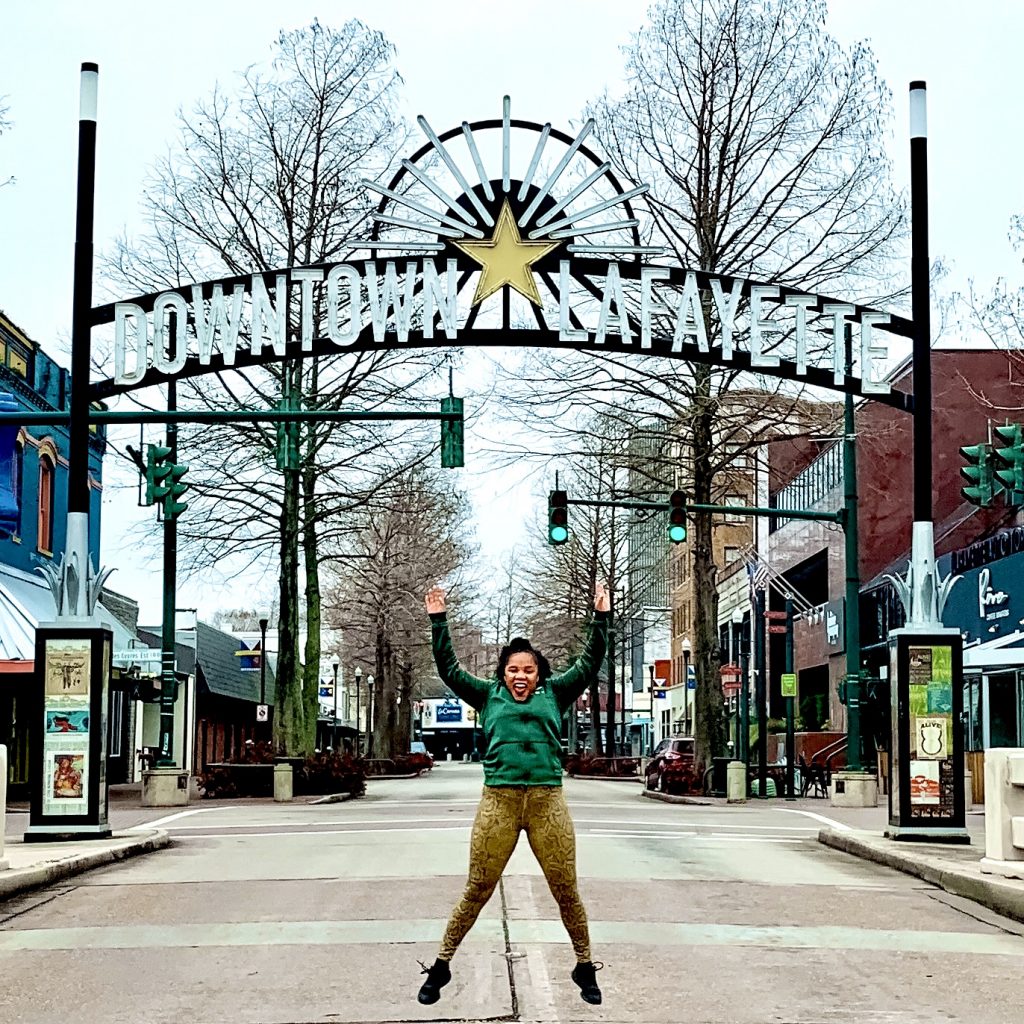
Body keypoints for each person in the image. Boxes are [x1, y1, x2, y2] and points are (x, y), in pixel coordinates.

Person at [417, 582, 610, 1007]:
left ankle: (583, 964)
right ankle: (442, 965)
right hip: (499, 802)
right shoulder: (487, 695)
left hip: (547, 802)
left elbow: (589, 661)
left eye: (527, 670)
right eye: (512, 670)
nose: (520, 677)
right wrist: (438, 621)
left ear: (538, 673)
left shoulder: (556, 693)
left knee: (565, 888)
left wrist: (601, 617)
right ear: (503, 673)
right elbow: (449, 668)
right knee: (478, 887)